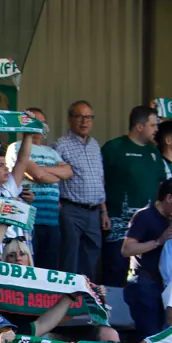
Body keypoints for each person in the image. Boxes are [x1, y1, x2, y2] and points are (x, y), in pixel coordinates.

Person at [100, 106, 163, 287]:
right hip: (118, 224)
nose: (156, 130)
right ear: (139, 126)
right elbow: (97, 181)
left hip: (147, 227)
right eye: (153, 125)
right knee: (115, 270)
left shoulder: (154, 152)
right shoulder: (113, 148)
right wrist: (103, 211)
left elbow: (160, 185)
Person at [122, 178, 172, 340]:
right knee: (150, 335)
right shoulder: (144, 216)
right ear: (168, 198)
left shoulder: (169, 220)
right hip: (144, 283)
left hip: (162, 284)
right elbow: (127, 249)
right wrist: (158, 242)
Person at [6, 107, 71, 268]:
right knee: (30, 264)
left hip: (52, 220)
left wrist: (41, 169)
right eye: (34, 122)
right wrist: (53, 175)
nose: (38, 127)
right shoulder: (16, 147)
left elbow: (68, 172)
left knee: (50, 268)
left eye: (41, 123)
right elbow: (37, 175)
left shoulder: (51, 151)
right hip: (29, 219)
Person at [52, 100, 106, 278]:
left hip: (93, 212)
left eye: (89, 117)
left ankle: (87, 299)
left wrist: (103, 211)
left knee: (91, 259)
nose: (84, 121)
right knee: (70, 259)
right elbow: (53, 178)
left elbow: (99, 179)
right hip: (71, 209)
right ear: (70, 119)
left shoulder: (94, 145)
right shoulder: (61, 145)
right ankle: (68, 301)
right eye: (80, 117)